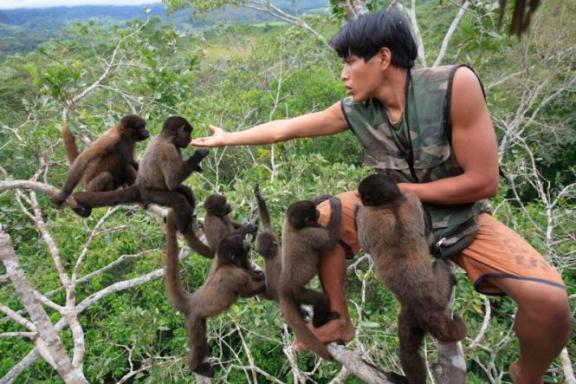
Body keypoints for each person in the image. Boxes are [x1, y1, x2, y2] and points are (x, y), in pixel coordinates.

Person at [191, 10, 570, 384]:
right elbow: (285, 130)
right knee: (321, 216)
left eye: (351, 62)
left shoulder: (454, 86)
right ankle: (338, 319)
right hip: (384, 211)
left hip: (458, 219)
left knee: (549, 304)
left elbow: (484, 181)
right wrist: (228, 137)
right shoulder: (357, 110)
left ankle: (527, 376)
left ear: (384, 57)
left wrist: (406, 192)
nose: (343, 74)